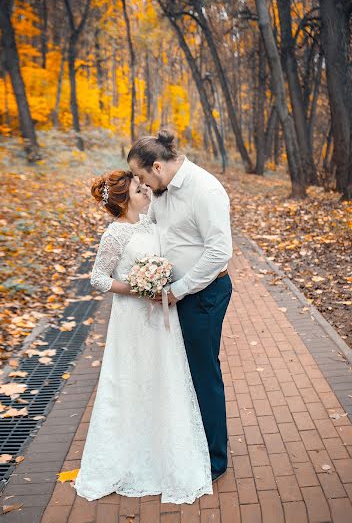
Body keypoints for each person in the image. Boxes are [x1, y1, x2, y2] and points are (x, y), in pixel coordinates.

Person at [74, 170, 213, 504]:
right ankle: (126, 456)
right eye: (139, 190)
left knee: (164, 378)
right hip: (133, 318)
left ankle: (168, 453)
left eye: (144, 186)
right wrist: (137, 288)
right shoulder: (116, 234)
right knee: (131, 380)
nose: (147, 192)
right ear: (124, 199)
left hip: (163, 316)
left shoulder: (154, 221)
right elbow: (97, 278)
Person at [127, 129, 233, 481]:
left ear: (157, 166)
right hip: (176, 291)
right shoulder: (162, 191)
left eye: (142, 177)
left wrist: (180, 289)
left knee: (203, 374)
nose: (142, 185)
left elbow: (219, 253)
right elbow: (159, 230)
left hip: (204, 294)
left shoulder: (205, 190)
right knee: (181, 371)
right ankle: (189, 442)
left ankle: (215, 460)